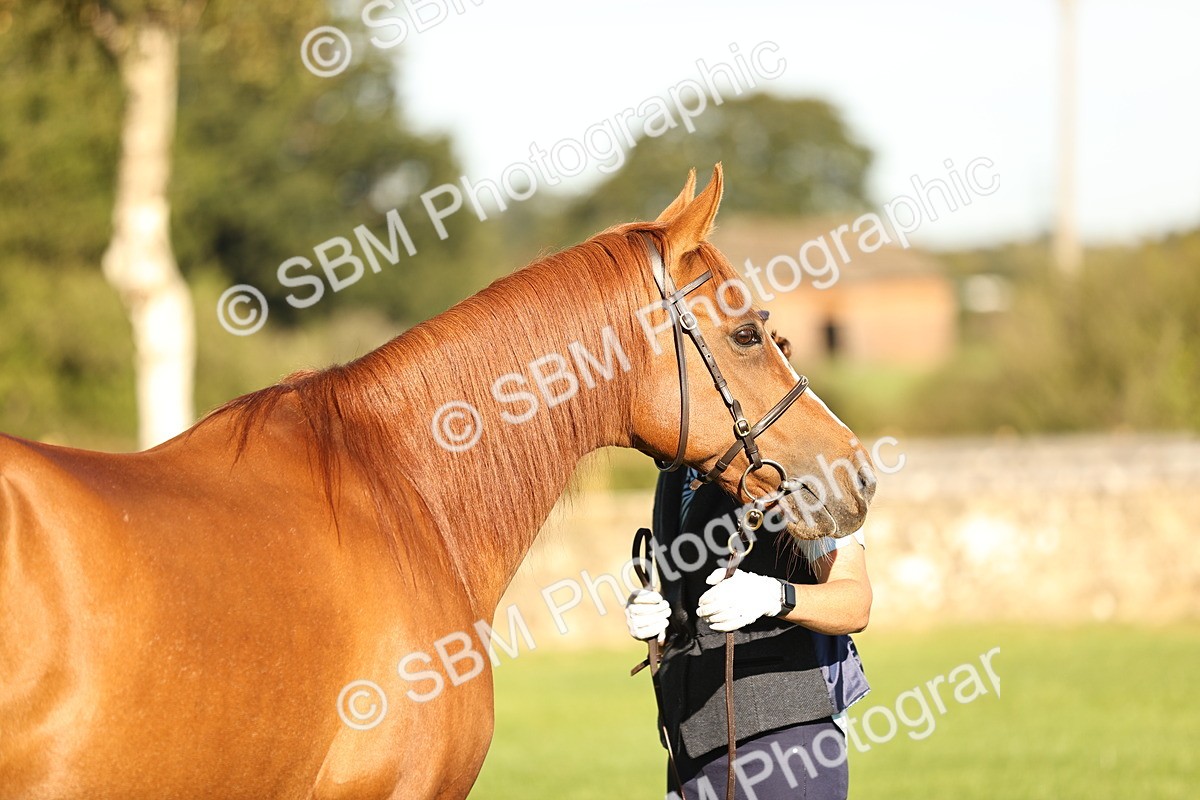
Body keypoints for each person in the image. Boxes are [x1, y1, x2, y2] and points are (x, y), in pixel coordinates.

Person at [625, 466, 872, 800]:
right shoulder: (672, 472)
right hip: (688, 736)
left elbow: (854, 602)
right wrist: (659, 616)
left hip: (784, 731)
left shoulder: (794, 458)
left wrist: (773, 596)